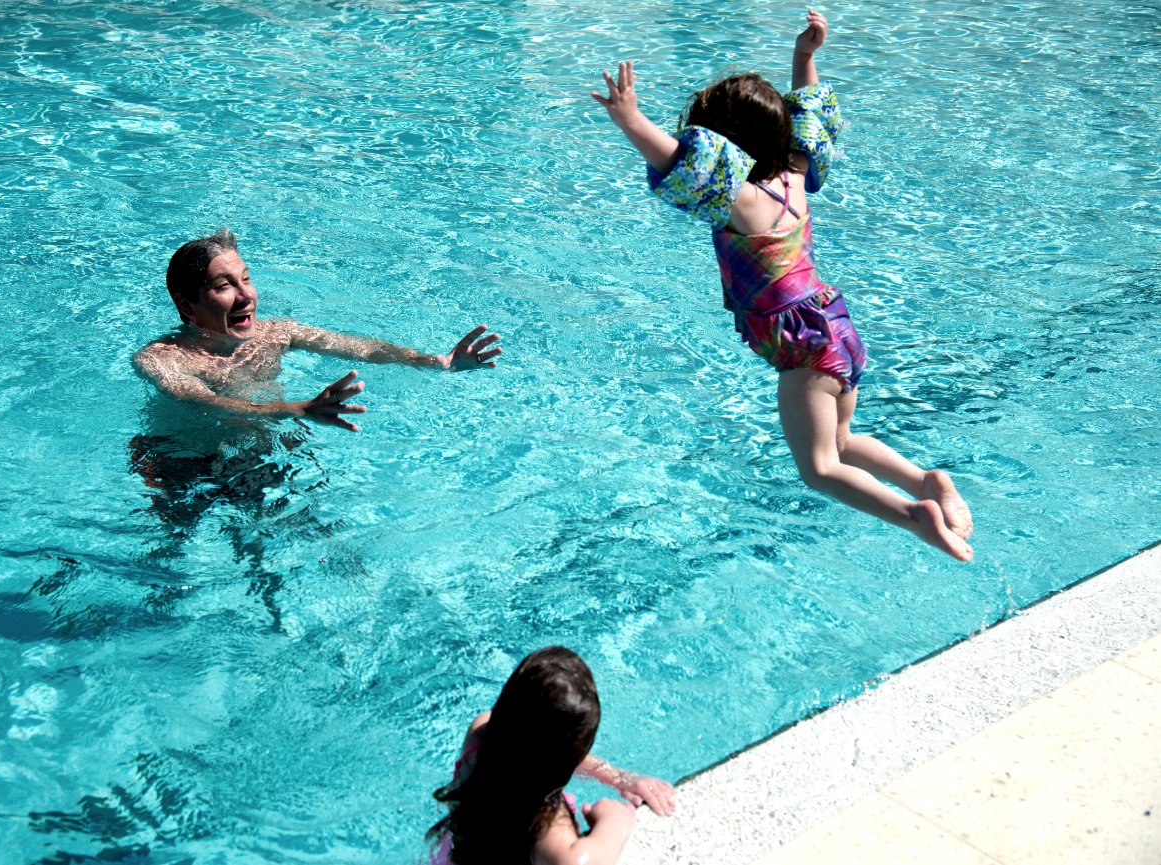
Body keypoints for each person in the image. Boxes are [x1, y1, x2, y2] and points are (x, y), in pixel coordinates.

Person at [591, 10, 974, 561]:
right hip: (836, 325)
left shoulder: (746, 200)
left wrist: (630, 121)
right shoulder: (794, 170)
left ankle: (916, 516)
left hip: (804, 349)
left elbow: (679, 162)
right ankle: (927, 481)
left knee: (819, 469)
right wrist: (804, 58)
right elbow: (810, 115)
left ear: (724, 146)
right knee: (840, 442)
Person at [134, 227, 504, 431]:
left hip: (264, 439)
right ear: (187, 305)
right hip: (181, 456)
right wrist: (296, 408)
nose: (246, 295)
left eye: (246, 279)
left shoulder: (275, 333)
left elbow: (363, 349)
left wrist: (434, 361)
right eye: (224, 286)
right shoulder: (162, 358)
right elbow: (204, 402)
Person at [428, 646, 676, 865]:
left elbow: (527, 746)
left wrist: (619, 777)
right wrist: (616, 822)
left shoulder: (480, 735)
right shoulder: (545, 824)